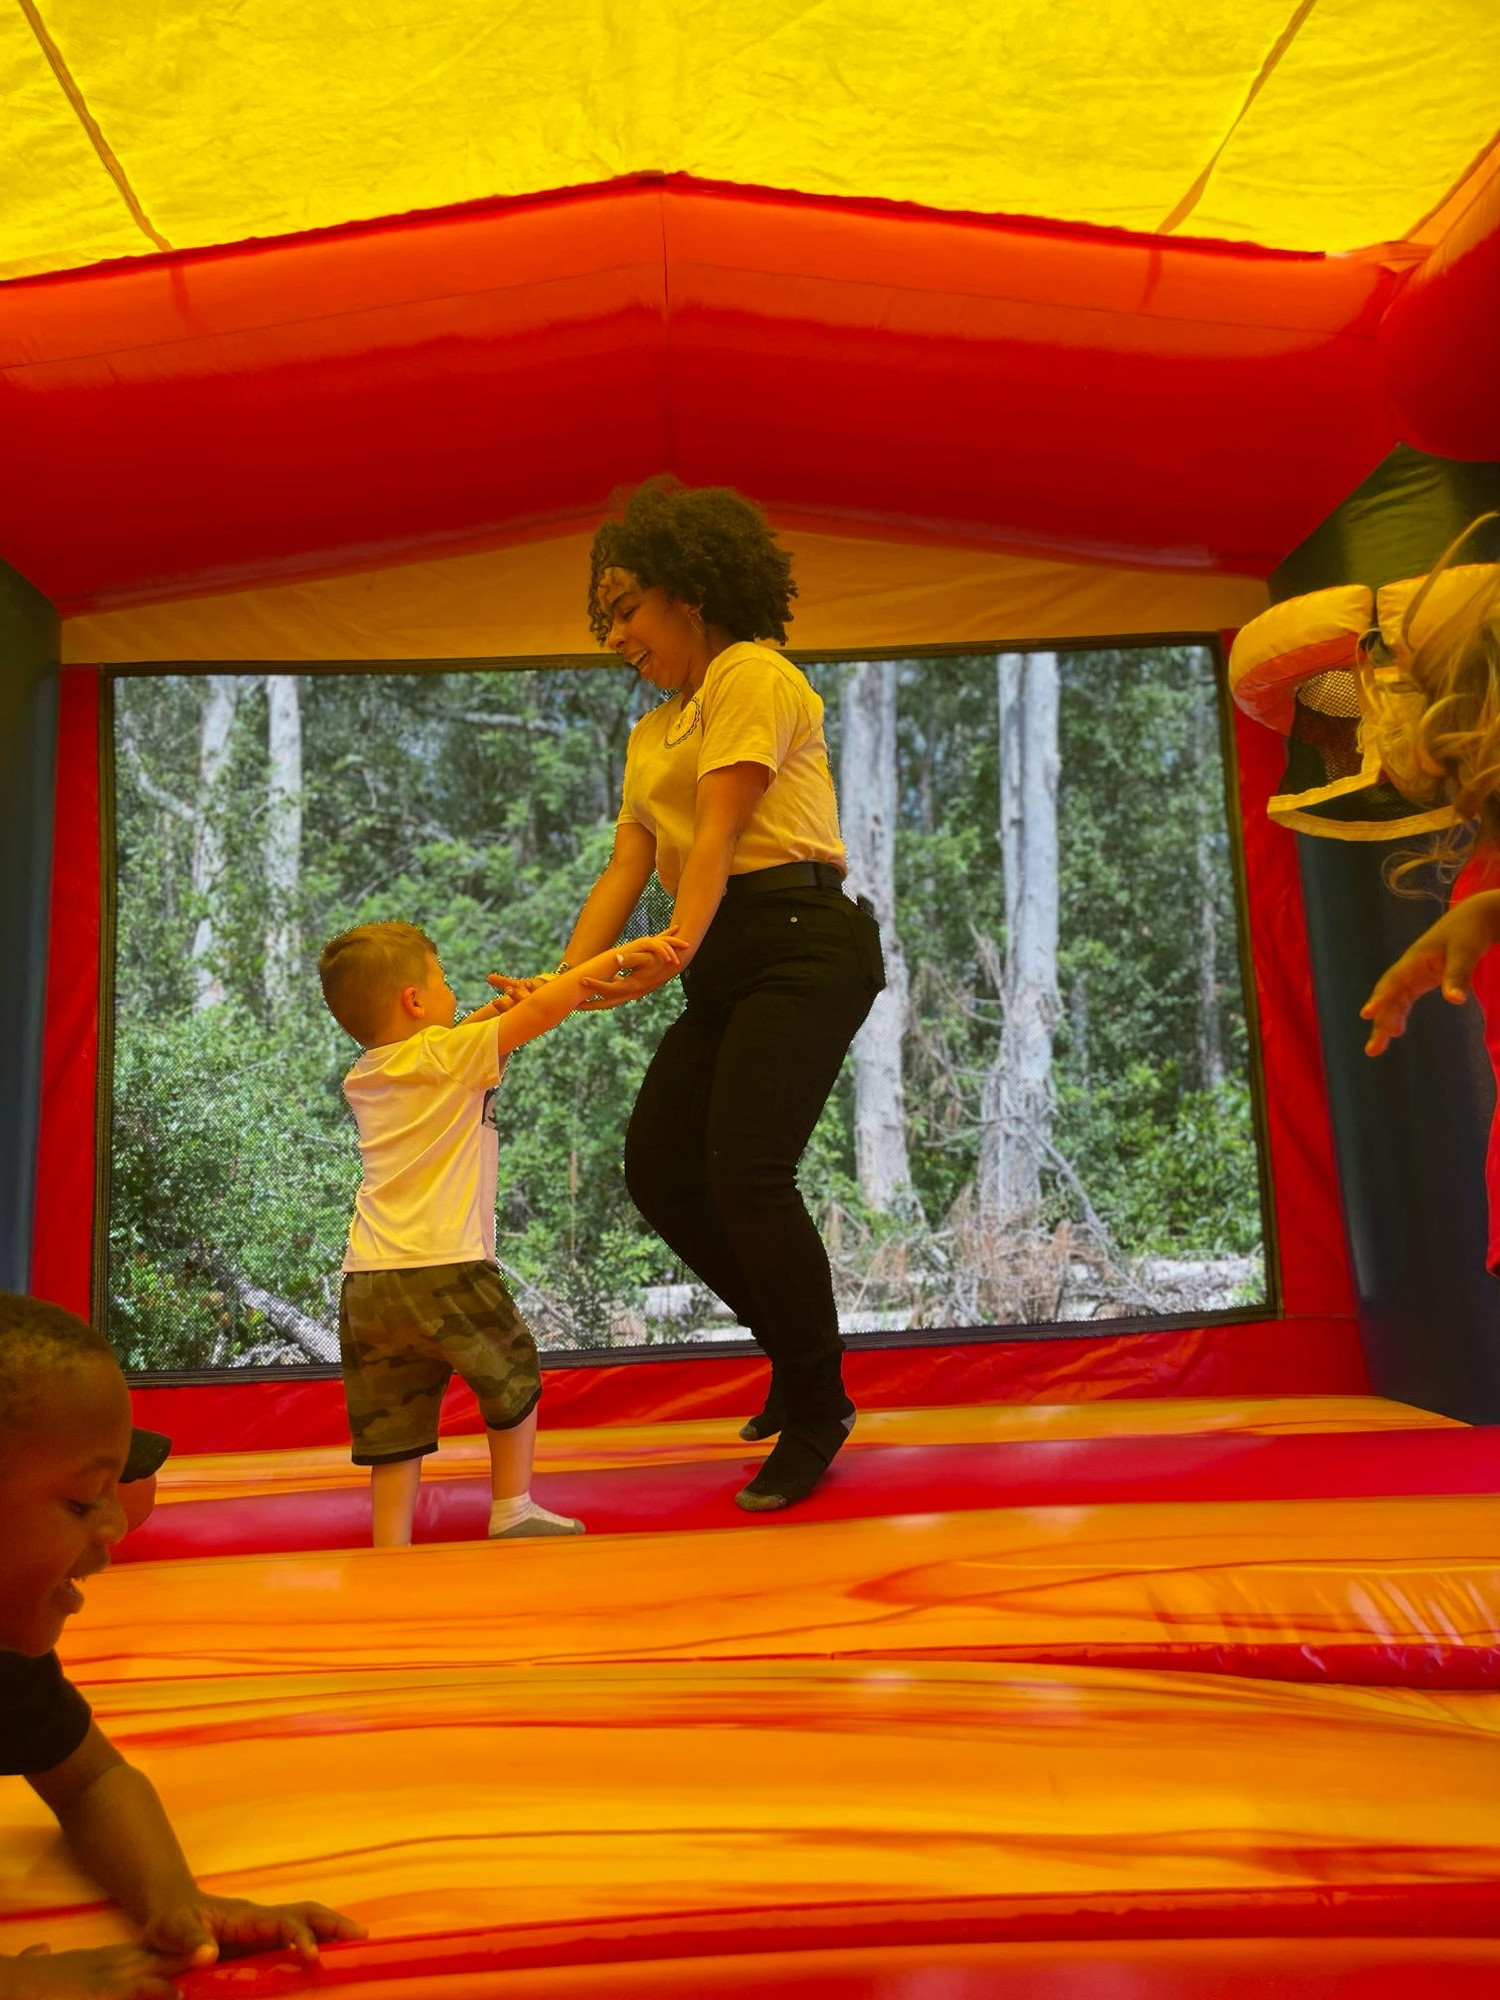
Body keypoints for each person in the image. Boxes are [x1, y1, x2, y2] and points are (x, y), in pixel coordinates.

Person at [532, 477, 886, 1513]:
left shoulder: (752, 672)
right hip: (727, 951)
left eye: (625, 608)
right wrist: (553, 990)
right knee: (660, 1169)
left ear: (688, 590)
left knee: (746, 1168)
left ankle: (818, 1402)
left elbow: (724, 830)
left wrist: (678, 942)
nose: (615, 636)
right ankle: (796, 1351)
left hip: (801, 939)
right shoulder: (651, 733)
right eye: (605, 620)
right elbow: (625, 872)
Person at [0, 1291, 366, 1999]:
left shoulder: (10, 1668)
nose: (114, 1526)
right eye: (83, 1501)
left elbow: (92, 1781)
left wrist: (173, 1900)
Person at [318, 919, 675, 1546]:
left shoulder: (369, 1073)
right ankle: (512, 1508)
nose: (453, 991)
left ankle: (390, 1548)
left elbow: (458, 1043)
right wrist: (608, 960)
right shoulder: (447, 1056)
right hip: (444, 1267)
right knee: (513, 1372)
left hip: (367, 1279)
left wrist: (495, 1010)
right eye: (443, 979)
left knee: (392, 1420)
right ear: (415, 1001)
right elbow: (539, 1017)